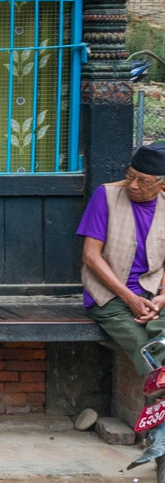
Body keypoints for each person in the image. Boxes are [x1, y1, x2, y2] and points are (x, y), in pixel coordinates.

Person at [78, 142, 165, 375]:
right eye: (130, 176)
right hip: (109, 298)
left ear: (163, 184)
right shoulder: (106, 195)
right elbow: (90, 256)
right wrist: (130, 299)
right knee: (144, 347)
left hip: (153, 292)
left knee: (161, 342)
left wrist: (162, 297)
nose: (133, 185)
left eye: (143, 181)